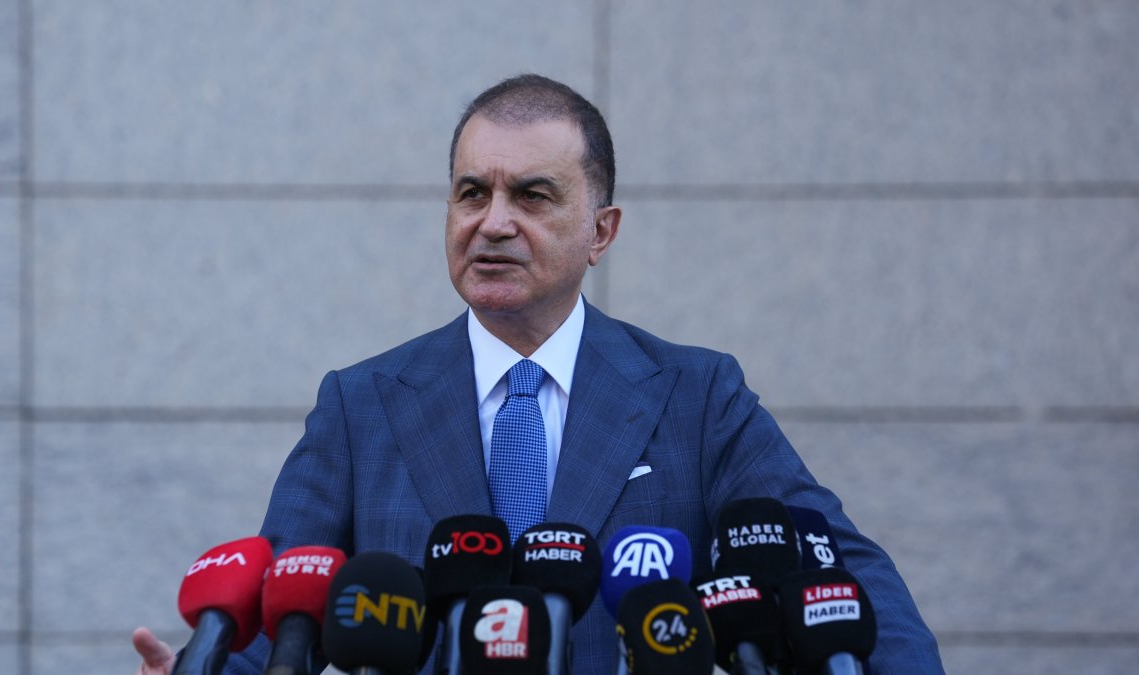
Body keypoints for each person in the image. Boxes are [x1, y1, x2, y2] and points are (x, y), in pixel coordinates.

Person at [134, 73, 945, 674]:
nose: (493, 222)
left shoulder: (699, 398)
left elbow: (843, 580)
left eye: (531, 195)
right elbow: (283, 614)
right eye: (471, 193)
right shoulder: (360, 405)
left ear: (601, 231)